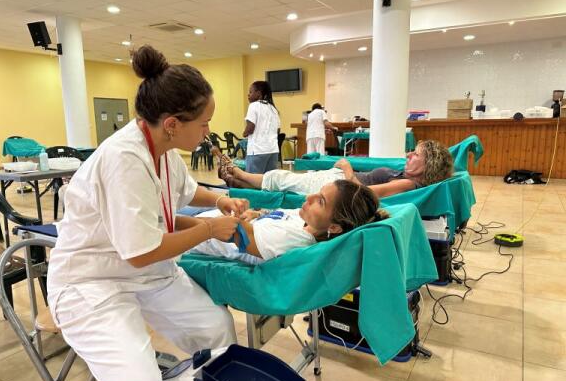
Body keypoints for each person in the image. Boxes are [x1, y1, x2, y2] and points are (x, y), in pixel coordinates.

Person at [47, 45, 249, 381]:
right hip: (92, 284)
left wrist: (221, 199)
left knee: (217, 331)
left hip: (149, 276)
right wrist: (208, 228)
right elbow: (141, 252)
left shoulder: (165, 146)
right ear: (173, 123)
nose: (209, 133)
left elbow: (185, 192)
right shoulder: (124, 159)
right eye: (204, 123)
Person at [191, 180, 388, 264]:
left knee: (169, 201)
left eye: (321, 201)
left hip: (195, 238)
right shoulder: (304, 220)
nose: (309, 197)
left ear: (334, 227)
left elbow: (234, 232)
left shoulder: (292, 240)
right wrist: (256, 214)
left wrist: (174, 223)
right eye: (318, 192)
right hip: (207, 218)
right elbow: (274, 214)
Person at [215, 140, 453, 199]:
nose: (409, 154)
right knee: (286, 181)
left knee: (281, 178)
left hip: (343, 187)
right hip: (339, 180)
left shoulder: (410, 184)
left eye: (416, 154)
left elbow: (367, 194)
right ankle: (235, 180)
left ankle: (236, 172)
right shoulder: (407, 176)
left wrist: (348, 168)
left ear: (428, 165)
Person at [243, 81, 280, 173]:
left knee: (252, 182)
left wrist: (244, 133)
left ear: (259, 94)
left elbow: (250, 128)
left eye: (251, 92)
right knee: (268, 182)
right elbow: (278, 130)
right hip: (273, 151)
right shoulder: (273, 109)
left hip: (257, 151)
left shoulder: (253, 106)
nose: (248, 95)